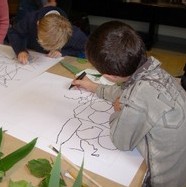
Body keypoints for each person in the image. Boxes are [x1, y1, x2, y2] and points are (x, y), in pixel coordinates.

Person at [72, 20, 186, 187]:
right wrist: (94, 87)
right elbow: (129, 93)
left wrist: (117, 110)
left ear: (109, 76)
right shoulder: (154, 72)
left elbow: (121, 141)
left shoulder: (137, 97)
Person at [7, 6, 88, 64]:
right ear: (37, 25)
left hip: (53, 65)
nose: (45, 49)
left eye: (53, 47)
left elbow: (86, 51)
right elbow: (14, 32)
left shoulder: (73, 33)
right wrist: (20, 50)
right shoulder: (30, 19)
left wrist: (63, 52)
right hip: (33, 55)